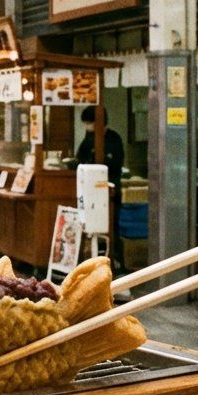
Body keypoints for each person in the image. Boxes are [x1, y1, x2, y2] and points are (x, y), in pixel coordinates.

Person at [77, 105, 126, 271]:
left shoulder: (114, 139)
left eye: (89, 122)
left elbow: (115, 163)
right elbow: (79, 157)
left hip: (110, 191)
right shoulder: (89, 137)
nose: (87, 126)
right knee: (91, 228)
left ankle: (116, 262)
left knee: (112, 226)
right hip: (89, 191)